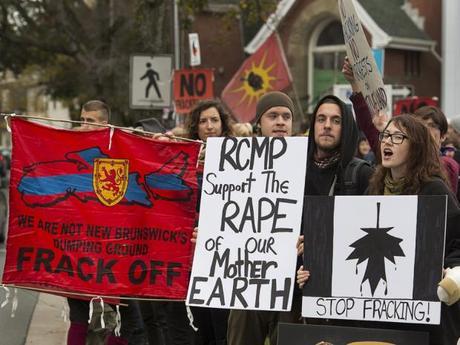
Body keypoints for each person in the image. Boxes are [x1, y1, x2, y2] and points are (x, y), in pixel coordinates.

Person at [298, 114, 460, 344]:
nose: (387, 142)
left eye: (397, 137)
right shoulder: (375, 190)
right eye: (385, 136)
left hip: (421, 316)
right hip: (377, 315)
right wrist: (316, 260)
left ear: (417, 147)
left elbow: (457, 242)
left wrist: (448, 270)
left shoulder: (434, 190)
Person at [224, 91, 303, 345]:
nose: (280, 121)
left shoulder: (308, 162)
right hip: (247, 275)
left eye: (286, 116)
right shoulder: (235, 162)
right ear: (259, 122)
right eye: (273, 116)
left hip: (289, 278)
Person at [67, 100, 140, 345]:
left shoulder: (119, 148)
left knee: (119, 316)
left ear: (105, 123)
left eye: (91, 121)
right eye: (82, 120)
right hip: (78, 246)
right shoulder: (69, 147)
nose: (84, 126)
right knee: (78, 316)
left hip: (112, 249)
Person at [341, 57, 459, 196]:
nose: (388, 141)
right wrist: (355, 83)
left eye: (432, 126)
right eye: (421, 125)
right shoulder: (377, 186)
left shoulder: (439, 178)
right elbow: (368, 126)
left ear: (443, 135)